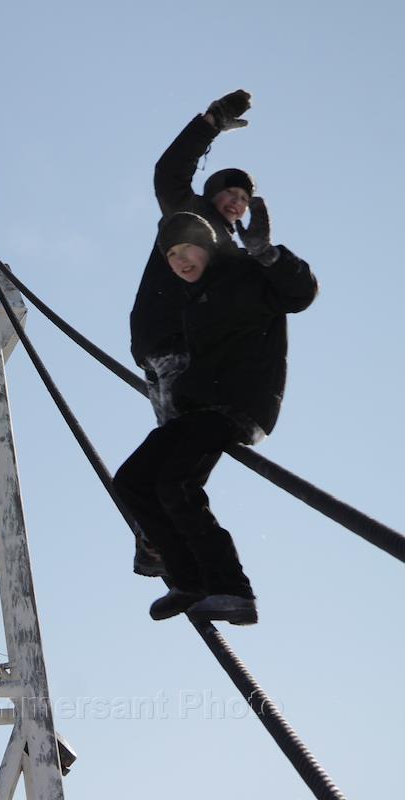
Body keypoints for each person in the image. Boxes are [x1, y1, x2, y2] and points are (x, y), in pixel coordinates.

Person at [113, 209, 317, 625]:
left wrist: (268, 254)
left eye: (187, 248)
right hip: (201, 407)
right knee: (131, 480)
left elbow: (299, 294)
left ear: (206, 246)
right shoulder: (193, 299)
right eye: (172, 255)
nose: (180, 261)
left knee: (176, 483)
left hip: (240, 403)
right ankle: (188, 580)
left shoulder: (245, 274)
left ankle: (233, 590)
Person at [128, 88, 256, 578]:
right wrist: (210, 123)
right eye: (231, 193)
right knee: (188, 447)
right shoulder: (190, 213)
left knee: (173, 443)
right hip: (171, 345)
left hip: (167, 348)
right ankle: (168, 539)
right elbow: (170, 172)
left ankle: (153, 541)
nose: (237, 203)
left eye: (244, 199)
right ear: (212, 192)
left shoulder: (234, 254)